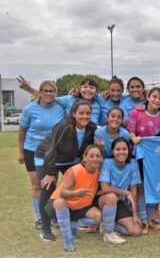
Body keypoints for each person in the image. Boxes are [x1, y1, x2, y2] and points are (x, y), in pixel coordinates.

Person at [35, 100, 97, 241]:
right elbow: (51, 150)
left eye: (88, 113)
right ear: (74, 114)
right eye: (81, 113)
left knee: (76, 186)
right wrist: (51, 174)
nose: (85, 116)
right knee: (47, 189)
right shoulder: (64, 126)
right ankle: (46, 228)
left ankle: (68, 220)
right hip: (46, 157)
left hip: (69, 159)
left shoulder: (91, 128)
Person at [18, 80, 66, 229]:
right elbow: (22, 131)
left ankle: (51, 215)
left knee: (50, 185)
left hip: (51, 152)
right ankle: (39, 217)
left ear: (56, 93)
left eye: (51, 91)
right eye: (45, 91)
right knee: (37, 185)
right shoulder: (29, 109)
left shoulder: (61, 107)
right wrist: (20, 151)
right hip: (31, 150)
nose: (48, 94)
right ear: (40, 92)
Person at [127, 87, 160, 233]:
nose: (156, 100)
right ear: (148, 97)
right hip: (137, 155)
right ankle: (143, 219)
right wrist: (134, 138)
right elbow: (131, 132)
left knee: (154, 186)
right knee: (140, 188)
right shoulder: (136, 112)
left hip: (154, 157)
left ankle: (150, 218)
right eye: (154, 96)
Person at [45, 145, 103, 252]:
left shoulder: (99, 170)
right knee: (61, 202)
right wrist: (77, 192)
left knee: (99, 217)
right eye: (91, 156)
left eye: (98, 156)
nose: (95, 159)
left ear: (101, 158)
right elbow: (63, 193)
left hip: (80, 206)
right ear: (84, 158)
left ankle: (69, 225)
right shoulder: (76, 171)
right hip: (58, 205)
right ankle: (68, 238)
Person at [98, 137, 142, 244]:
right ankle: (108, 231)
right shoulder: (107, 163)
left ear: (129, 150)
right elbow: (104, 188)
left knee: (136, 231)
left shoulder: (133, 163)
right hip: (104, 201)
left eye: (124, 149)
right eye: (118, 149)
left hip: (120, 203)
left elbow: (134, 190)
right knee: (112, 196)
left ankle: (108, 225)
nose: (121, 152)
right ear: (113, 151)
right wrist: (126, 193)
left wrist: (135, 213)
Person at [18, 76, 103, 125]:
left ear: (96, 91)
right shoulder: (70, 99)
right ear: (79, 89)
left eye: (92, 88)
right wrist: (29, 89)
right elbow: (49, 97)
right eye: (85, 87)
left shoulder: (97, 105)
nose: (88, 90)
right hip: (71, 141)